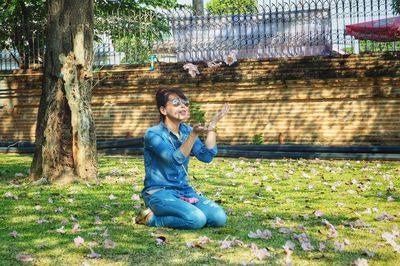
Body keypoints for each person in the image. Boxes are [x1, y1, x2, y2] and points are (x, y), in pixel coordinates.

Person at [135, 88, 229, 229]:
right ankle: (150, 218)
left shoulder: (186, 131)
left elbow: (206, 156)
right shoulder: (153, 134)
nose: (183, 106)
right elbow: (174, 160)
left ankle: (181, 210)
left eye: (185, 103)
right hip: (159, 193)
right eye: (176, 103)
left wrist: (212, 126)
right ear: (163, 110)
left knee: (219, 218)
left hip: (184, 191)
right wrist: (193, 135)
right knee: (196, 219)